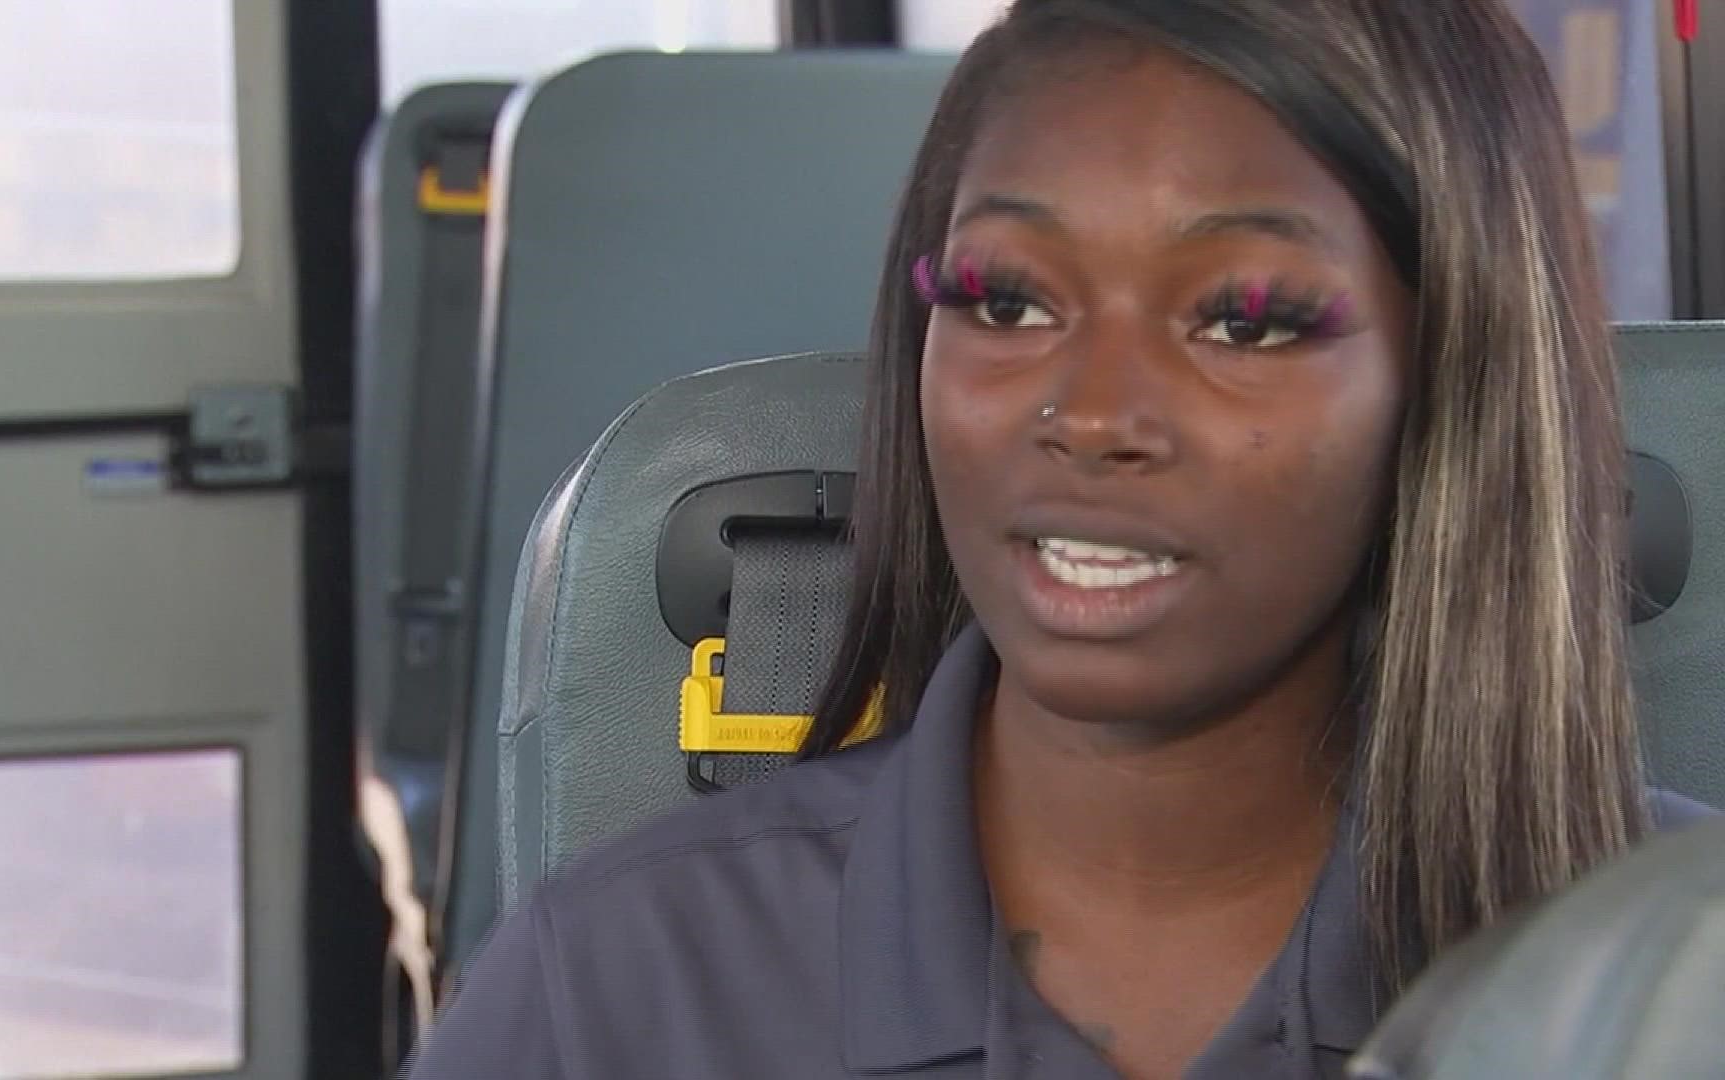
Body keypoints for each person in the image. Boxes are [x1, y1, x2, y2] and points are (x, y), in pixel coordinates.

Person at [405, 1, 1716, 1077]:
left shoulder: (1678, 986)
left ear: (1449, 382)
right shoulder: (619, 989)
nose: (1089, 415)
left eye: (1245, 321)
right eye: (1006, 300)